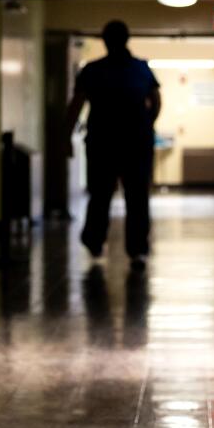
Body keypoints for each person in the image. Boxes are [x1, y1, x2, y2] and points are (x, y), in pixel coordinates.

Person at [65, 20, 162, 264]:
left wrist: (65, 136)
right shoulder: (141, 69)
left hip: (103, 142)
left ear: (104, 41)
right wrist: (146, 125)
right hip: (135, 143)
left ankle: (94, 240)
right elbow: (156, 100)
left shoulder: (93, 70)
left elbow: (75, 105)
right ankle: (137, 249)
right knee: (137, 197)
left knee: (100, 195)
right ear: (127, 39)